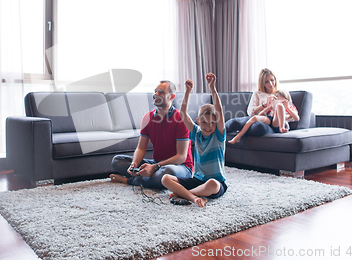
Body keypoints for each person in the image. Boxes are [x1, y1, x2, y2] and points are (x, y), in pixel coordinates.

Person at [109, 80, 193, 189]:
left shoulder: (181, 119)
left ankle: (129, 180)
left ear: (172, 97)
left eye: (161, 92)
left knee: (168, 172)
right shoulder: (147, 118)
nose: (156, 94)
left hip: (180, 167)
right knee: (117, 160)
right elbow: (141, 148)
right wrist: (134, 163)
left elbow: (181, 157)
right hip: (157, 164)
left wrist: (155, 167)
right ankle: (147, 177)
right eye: (156, 91)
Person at [161, 73, 227, 208]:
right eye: (204, 122)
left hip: (216, 182)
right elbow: (183, 114)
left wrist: (212, 88)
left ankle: (183, 194)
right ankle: (193, 196)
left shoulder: (218, 136)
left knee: (212, 184)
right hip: (197, 180)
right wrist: (187, 91)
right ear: (198, 121)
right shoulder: (196, 133)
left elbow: (219, 111)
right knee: (165, 178)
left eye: (212, 123)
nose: (208, 126)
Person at [228, 89, 299, 143]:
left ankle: (282, 128)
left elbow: (297, 118)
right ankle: (238, 136)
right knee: (254, 118)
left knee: (280, 106)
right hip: (270, 120)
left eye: (282, 100)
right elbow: (260, 115)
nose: (279, 102)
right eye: (277, 100)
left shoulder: (289, 107)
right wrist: (268, 107)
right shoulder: (273, 107)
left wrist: (287, 108)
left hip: (278, 124)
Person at [225, 68, 281, 136]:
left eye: (272, 80)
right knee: (233, 123)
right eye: (266, 82)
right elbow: (251, 112)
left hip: (270, 123)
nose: (271, 83)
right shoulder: (257, 94)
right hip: (255, 118)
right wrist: (264, 105)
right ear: (262, 83)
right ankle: (215, 134)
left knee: (258, 127)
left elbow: (292, 115)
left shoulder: (281, 94)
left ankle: (242, 131)